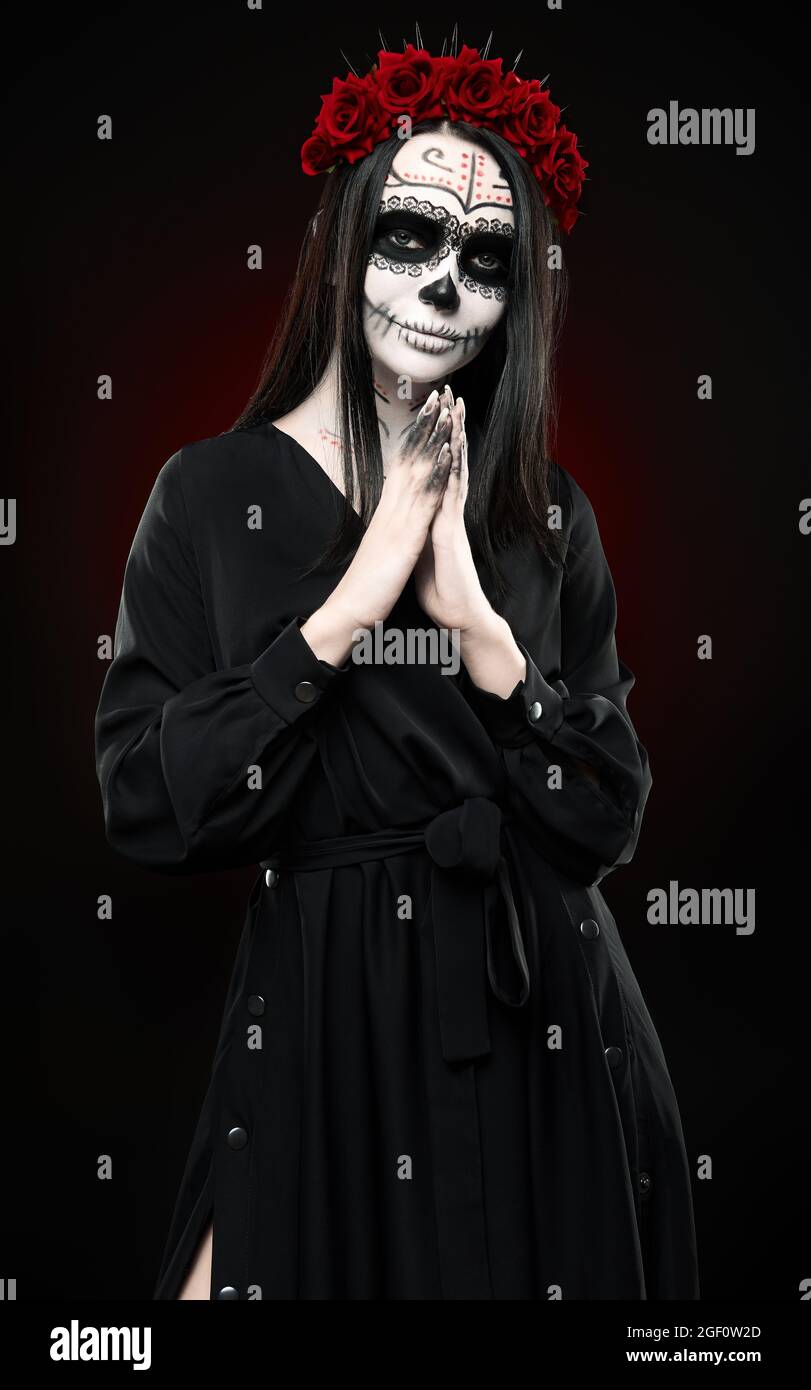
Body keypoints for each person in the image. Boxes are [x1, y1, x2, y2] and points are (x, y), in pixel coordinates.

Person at [94, 41, 700, 1300]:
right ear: (338, 239)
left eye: (484, 260)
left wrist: (480, 630)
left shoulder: (546, 515)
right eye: (410, 237)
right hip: (324, 1016)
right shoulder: (209, 495)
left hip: (542, 1013)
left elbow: (605, 813)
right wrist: (357, 597)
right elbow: (151, 802)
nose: (442, 287)